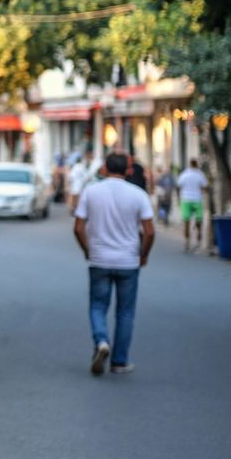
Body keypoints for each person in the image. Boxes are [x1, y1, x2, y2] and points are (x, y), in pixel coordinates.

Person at [74, 153, 154, 376]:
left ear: (104, 169)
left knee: (98, 306)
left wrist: (87, 250)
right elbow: (149, 231)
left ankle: (101, 341)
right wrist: (144, 255)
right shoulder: (138, 195)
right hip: (128, 261)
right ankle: (119, 361)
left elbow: (78, 227)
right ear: (128, 170)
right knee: (125, 312)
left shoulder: (91, 192)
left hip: (99, 259)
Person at [176, 159, 209, 252]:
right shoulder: (200, 174)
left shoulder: (185, 174)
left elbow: (178, 186)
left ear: (189, 164)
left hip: (186, 199)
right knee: (199, 220)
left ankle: (187, 242)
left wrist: (179, 198)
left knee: (186, 222)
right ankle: (199, 238)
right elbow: (205, 187)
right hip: (197, 199)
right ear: (197, 164)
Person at [67, 150, 93, 215]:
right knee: (79, 198)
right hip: (80, 185)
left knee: (74, 197)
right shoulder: (82, 167)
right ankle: (77, 210)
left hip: (75, 185)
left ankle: (73, 209)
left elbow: (71, 176)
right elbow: (86, 177)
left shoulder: (74, 167)